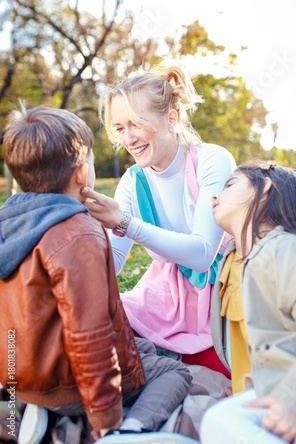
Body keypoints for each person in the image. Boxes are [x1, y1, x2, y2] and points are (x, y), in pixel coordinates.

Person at [0, 103, 192, 444]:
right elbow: (90, 335)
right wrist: (105, 415)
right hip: (68, 385)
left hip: (21, 377)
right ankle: (126, 432)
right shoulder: (78, 234)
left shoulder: (9, 223)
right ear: (80, 174)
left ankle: (35, 411)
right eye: (89, 159)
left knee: (143, 347)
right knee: (173, 371)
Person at [81, 62, 236, 371]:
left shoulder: (212, 160)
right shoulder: (132, 182)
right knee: (101, 332)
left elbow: (203, 254)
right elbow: (113, 260)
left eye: (137, 124)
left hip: (222, 291)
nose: (129, 139)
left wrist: (126, 223)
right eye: (121, 128)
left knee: (223, 373)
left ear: (171, 118)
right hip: (167, 296)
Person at [200, 162, 296, 443]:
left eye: (229, 185)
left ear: (263, 189)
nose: (215, 196)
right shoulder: (230, 263)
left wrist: (291, 404)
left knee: (220, 421)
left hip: (287, 398)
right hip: (266, 395)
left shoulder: (283, 249)